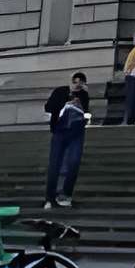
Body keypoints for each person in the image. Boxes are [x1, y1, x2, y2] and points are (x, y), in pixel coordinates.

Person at [44, 81, 88, 209]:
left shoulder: (83, 95)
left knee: (73, 162)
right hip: (59, 132)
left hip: (75, 133)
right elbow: (49, 107)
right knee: (55, 165)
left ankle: (64, 194)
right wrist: (64, 104)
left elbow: (85, 111)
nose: (78, 85)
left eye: (81, 82)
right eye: (76, 82)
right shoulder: (60, 91)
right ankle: (50, 197)